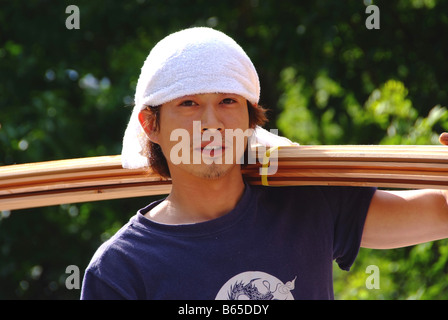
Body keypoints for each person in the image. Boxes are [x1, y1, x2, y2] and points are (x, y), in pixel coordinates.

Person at [80, 27, 448, 300]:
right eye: (188, 103)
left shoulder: (308, 203)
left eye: (227, 101)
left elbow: (440, 214)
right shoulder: (121, 269)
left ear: (250, 119)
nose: (212, 122)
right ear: (151, 125)